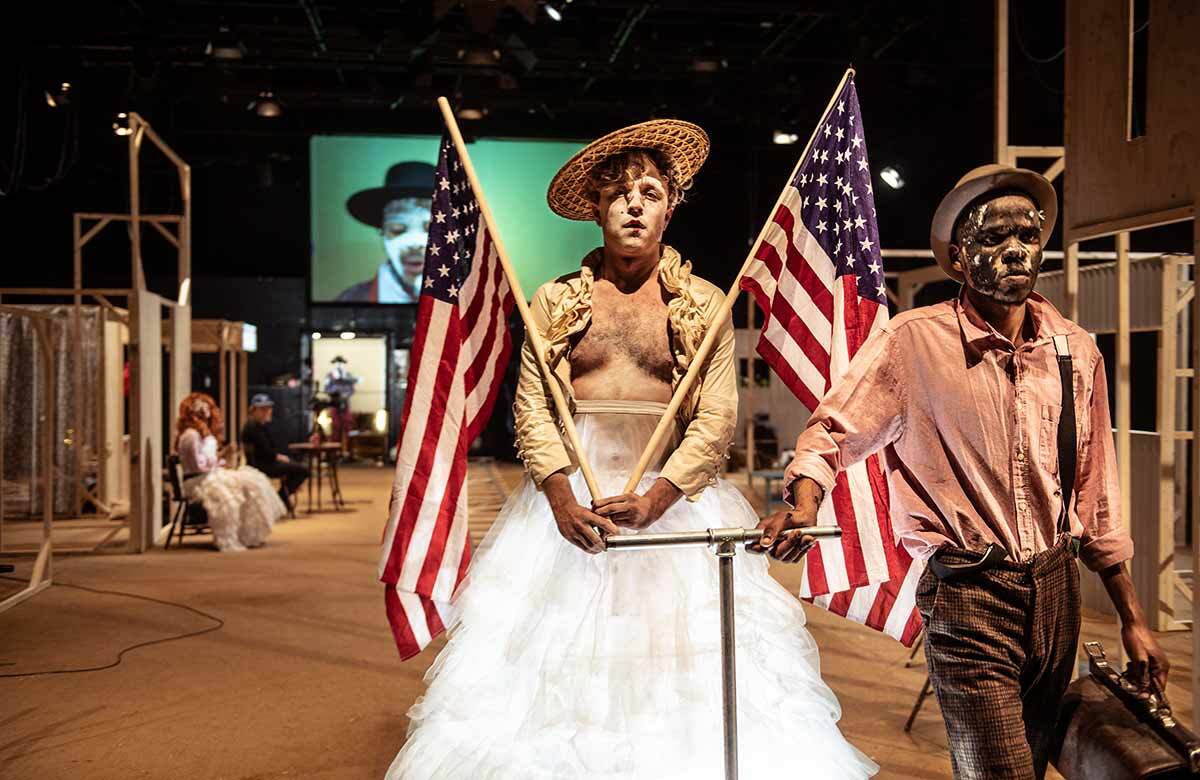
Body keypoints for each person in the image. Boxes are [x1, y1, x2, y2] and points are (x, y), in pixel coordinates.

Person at [385, 121, 876, 778]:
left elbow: (715, 416)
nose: (635, 205)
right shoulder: (556, 301)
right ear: (595, 209)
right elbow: (532, 403)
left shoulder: (703, 304)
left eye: (650, 191)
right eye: (619, 195)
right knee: (551, 659)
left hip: (671, 494)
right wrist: (559, 495)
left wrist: (657, 498)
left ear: (672, 205)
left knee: (680, 653)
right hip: (569, 496)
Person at [756, 164, 1167, 779]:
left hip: (1056, 594)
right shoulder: (913, 343)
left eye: (1027, 236)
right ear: (956, 258)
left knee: (1029, 763)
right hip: (969, 593)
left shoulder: (1075, 350)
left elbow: (1095, 498)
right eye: (992, 238)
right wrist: (806, 500)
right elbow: (833, 430)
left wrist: (1134, 620)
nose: (1014, 252)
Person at [176, 392, 287, 552]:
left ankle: (248, 534)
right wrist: (217, 459)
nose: (205, 413)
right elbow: (197, 467)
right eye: (200, 409)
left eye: (206, 409)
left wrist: (219, 460)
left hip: (206, 476)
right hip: (197, 481)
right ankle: (229, 537)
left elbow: (205, 463)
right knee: (231, 495)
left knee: (253, 481)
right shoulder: (191, 436)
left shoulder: (198, 435)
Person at [337, 162, 437, 303]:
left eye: (430, 229)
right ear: (382, 232)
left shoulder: (467, 301)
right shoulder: (352, 300)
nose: (414, 243)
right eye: (397, 230)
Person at [241, 393, 309, 509]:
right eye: (263, 409)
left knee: (294, 466)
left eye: (268, 408)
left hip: (265, 462)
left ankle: (282, 498)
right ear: (254, 410)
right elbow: (265, 452)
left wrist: (278, 456)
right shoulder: (253, 428)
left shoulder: (258, 426)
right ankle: (280, 498)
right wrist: (278, 457)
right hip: (262, 465)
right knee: (303, 470)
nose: (267, 411)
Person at [323, 356, 359, 449]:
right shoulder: (330, 376)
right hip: (334, 403)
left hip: (345, 403)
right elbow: (326, 389)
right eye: (337, 363)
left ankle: (347, 449)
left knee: (347, 425)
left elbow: (352, 390)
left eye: (341, 363)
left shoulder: (348, 375)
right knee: (335, 426)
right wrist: (335, 393)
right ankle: (335, 450)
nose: (339, 365)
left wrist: (346, 394)